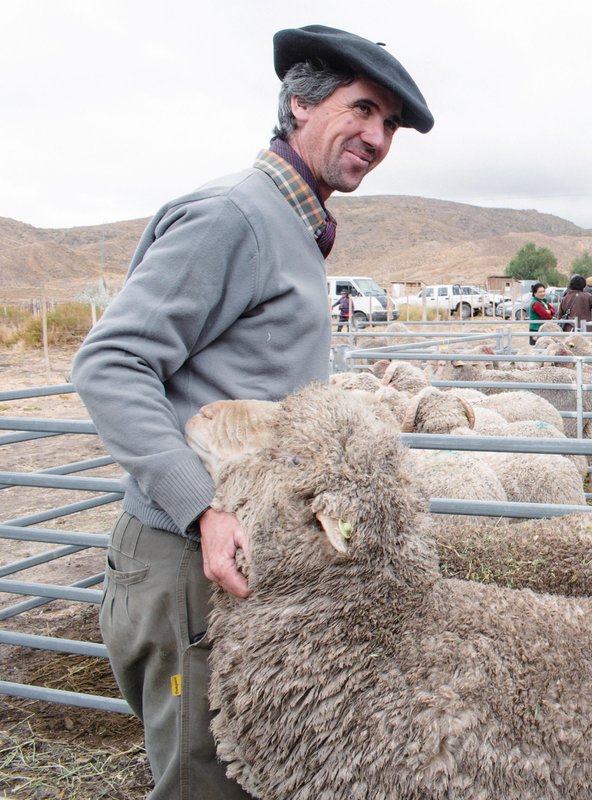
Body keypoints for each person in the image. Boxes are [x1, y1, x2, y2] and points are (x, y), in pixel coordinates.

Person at [70, 25, 433, 798]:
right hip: (185, 562)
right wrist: (201, 508)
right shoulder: (236, 217)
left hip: (227, 557)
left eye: (390, 125)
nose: (376, 137)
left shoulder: (294, 227)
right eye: (362, 109)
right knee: (204, 780)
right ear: (299, 105)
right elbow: (110, 363)